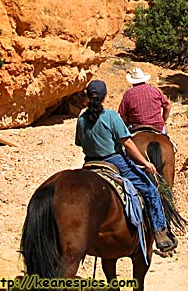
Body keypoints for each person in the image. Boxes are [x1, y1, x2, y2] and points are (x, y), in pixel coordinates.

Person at [75, 79, 177, 253]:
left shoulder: (81, 119)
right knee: (150, 189)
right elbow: (128, 143)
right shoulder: (111, 116)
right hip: (114, 161)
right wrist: (145, 163)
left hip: (90, 162)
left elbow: (79, 142)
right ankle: (160, 232)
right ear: (104, 96)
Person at [118, 67, 171, 134]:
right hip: (158, 126)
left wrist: (128, 122)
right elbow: (167, 106)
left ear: (132, 81)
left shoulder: (129, 93)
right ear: (144, 79)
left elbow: (122, 115)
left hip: (136, 126)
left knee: (122, 140)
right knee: (169, 140)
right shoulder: (154, 90)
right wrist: (163, 121)